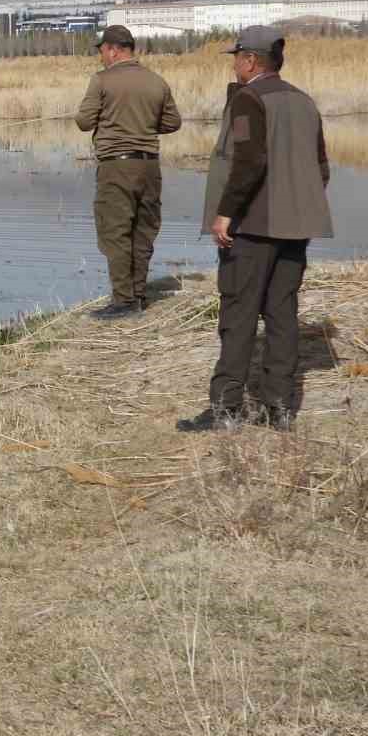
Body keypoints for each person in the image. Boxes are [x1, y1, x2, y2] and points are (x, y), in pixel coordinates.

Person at [178, 27, 332, 432]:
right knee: (282, 314)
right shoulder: (304, 101)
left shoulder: (249, 98)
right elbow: (321, 169)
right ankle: (279, 408)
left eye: (236, 57)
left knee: (238, 312)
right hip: (295, 228)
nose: (233, 63)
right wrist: (296, 209)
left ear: (249, 61)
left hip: (252, 227)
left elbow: (249, 162)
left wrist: (227, 213)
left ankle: (226, 409)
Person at [75, 24, 182, 318]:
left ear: (112, 49)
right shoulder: (156, 81)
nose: (101, 58)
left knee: (115, 232)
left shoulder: (101, 81)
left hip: (116, 167)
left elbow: (84, 121)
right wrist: (144, 125)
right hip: (149, 166)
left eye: (102, 52)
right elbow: (173, 122)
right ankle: (137, 294)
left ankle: (123, 302)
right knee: (143, 231)